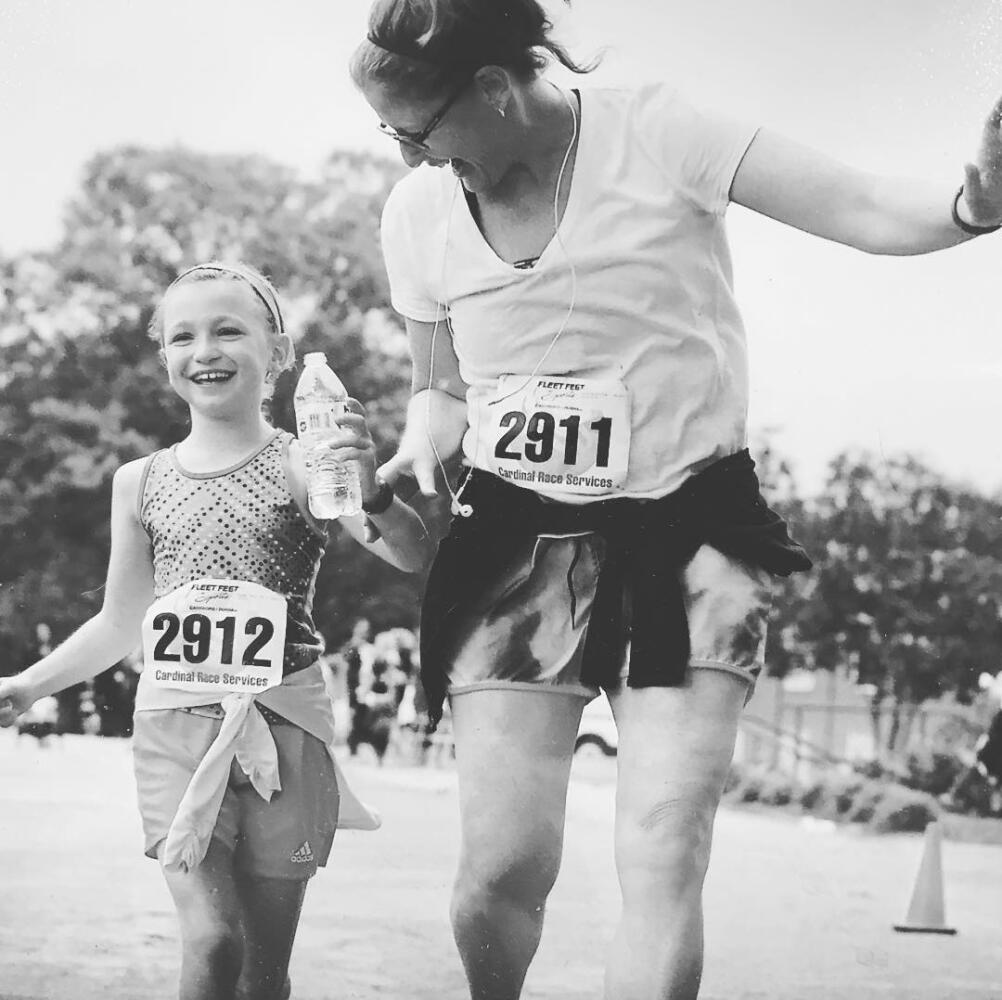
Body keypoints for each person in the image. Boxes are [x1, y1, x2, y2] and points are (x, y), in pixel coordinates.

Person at [349, 2, 1002, 998]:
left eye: (415, 131)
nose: (405, 159)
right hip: (519, 542)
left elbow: (866, 205)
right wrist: (403, 455)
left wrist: (975, 206)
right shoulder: (420, 215)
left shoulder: (659, 131)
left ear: (491, 89)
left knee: (660, 850)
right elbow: (438, 395)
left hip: (690, 527)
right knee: (499, 869)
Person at [0, 261, 433, 1000]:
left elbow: (410, 553)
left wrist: (375, 488)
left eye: (228, 329)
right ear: (165, 357)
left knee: (263, 975)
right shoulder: (139, 481)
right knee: (212, 941)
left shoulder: (306, 460)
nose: (205, 349)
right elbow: (118, 620)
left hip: (284, 726)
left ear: (278, 351)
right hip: (175, 729)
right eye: (183, 336)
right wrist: (29, 685)